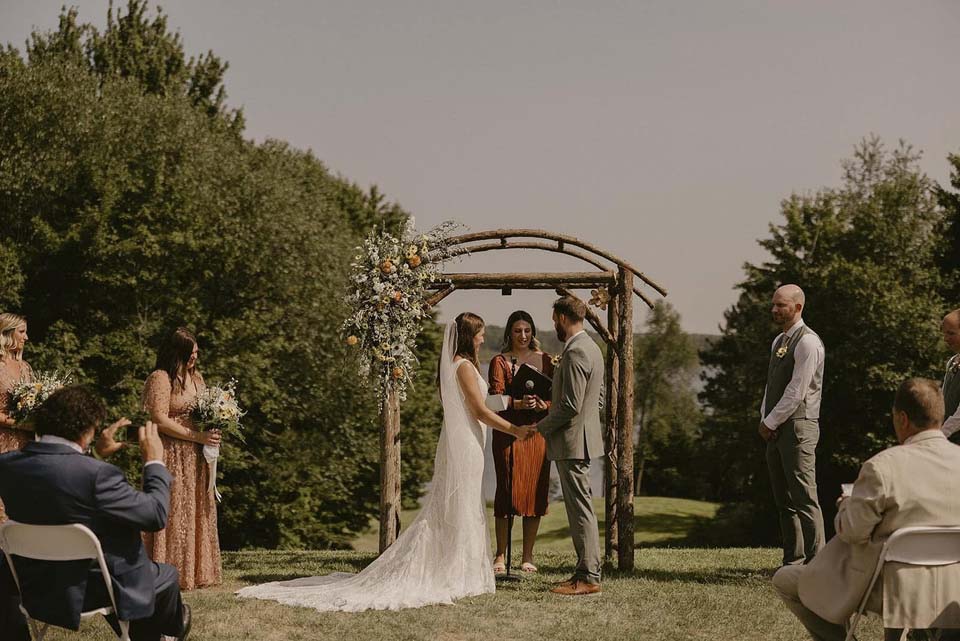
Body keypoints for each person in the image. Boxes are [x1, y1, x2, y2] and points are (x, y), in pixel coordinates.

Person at [237, 312, 534, 611]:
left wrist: (513, 403)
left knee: (458, 503)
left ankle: (458, 567)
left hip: (464, 440)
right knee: (460, 503)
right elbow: (480, 412)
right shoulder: (466, 367)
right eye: (480, 333)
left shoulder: (455, 366)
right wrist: (515, 430)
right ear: (470, 336)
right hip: (466, 443)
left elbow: (477, 408)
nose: (484, 337)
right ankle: (455, 571)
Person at [772, 378, 960, 641]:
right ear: (940, 418)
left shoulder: (883, 467)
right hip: (952, 589)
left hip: (890, 589)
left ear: (902, 419)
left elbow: (854, 533)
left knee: (785, 579)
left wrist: (844, 506)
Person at [0, 385, 191, 641]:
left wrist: (95, 453)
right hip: (90, 587)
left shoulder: (8, 464)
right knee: (166, 575)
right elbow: (154, 515)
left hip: (31, 582)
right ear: (87, 430)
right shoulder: (98, 475)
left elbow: (61, 479)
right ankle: (172, 630)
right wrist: (154, 462)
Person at [532, 296, 605, 596]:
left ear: (563, 317)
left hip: (572, 442)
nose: (554, 325)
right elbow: (596, 401)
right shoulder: (593, 348)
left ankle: (588, 576)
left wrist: (540, 428)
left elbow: (570, 406)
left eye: (554, 320)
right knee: (581, 508)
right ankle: (585, 571)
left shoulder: (575, 352)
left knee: (579, 511)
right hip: (582, 439)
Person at [142, 327, 222, 590]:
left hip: (196, 456)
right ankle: (169, 569)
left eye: (197, 353)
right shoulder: (161, 378)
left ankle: (197, 571)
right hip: (171, 452)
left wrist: (215, 426)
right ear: (177, 352)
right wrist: (196, 436)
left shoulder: (197, 378)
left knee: (195, 507)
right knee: (174, 507)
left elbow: (206, 411)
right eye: (191, 353)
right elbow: (159, 418)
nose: (194, 358)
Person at [759, 284, 826, 565]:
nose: (774, 309)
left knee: (804, 496)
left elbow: (797, 390)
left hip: (799, 427)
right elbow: (771, 385)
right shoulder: (779, 342)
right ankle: (793, 561)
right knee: (783, 499)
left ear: (797, 307)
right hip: (776, 427)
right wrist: (765, 418)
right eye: (774, 304)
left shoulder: (809, 342)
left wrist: (770, 421)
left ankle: (819, 562)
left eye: (781, 305)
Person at [487, 310, 555, 574]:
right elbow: (492, 401)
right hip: (508, 433)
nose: (523, 336)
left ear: (533, 332)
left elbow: (555, 399)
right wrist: (516, 402)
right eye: (517, 331)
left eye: (527, 330)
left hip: (537, 434)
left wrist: (542, 404)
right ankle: (500, 556)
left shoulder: (547, 359)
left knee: (535, 493)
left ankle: (528, 556)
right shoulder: (499, 361)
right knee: (506, 490)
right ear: (509, 333)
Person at [0, 313, 34, 522]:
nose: (26, 337)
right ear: (6, 333)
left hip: (26, 443)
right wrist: (17, 423)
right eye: (22, 332)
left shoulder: (25, 367)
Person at [940, 308, 960, 442]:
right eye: (944, 333)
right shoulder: (952, 362)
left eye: (951, 333)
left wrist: (941, 434)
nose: (945, 338)